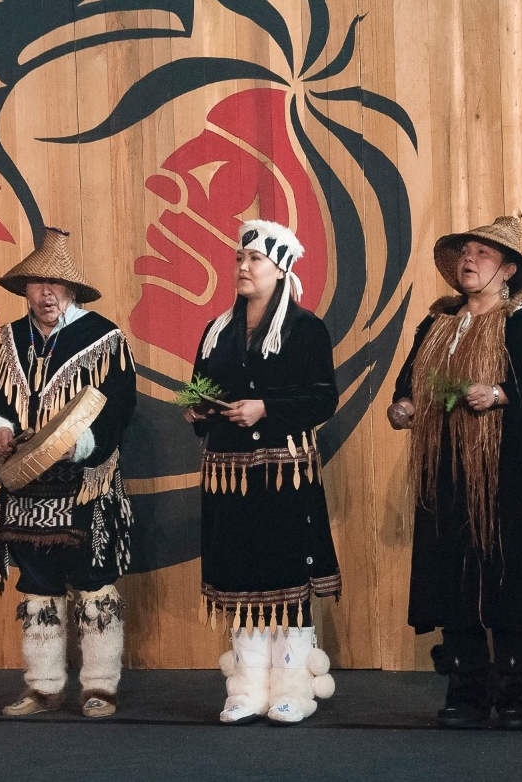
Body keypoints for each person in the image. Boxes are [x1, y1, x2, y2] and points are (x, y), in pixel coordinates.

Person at [388, 215, 522, 729]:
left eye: (483, 254)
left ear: (508, 269)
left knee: (507, 571)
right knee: (453, 573)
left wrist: (502, 393)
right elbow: (408, 383)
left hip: (504, 471)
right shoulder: (436, 323)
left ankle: (515, 689)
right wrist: (402, 406)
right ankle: (465, 688)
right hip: (444, 472)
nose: (469, 260)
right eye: (464, 253)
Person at [0, 227, 137, 718]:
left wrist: (77, 444)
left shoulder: (105, 339)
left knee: (93, 580)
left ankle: (100, 686)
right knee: (36, 583)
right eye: (38, 285)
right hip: (26, 487)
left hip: (86, 483)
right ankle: (42, 686)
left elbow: (120, 405)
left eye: (57, 286)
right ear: (24, 290)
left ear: (73, 291)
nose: (47, 294)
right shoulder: (5, 341)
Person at [184, 220, 340, 726]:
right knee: (239, 573)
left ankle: (291, 685)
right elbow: (199, 388)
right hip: (228, 473)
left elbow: (322, 398)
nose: (243, 267)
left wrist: (266, 407)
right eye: (239, 258)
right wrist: (198, 411)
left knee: (285, 573)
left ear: (281, 269)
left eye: (254, 259)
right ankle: (247, 686)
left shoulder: (306, 329)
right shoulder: (217, 330)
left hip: (282, 472)